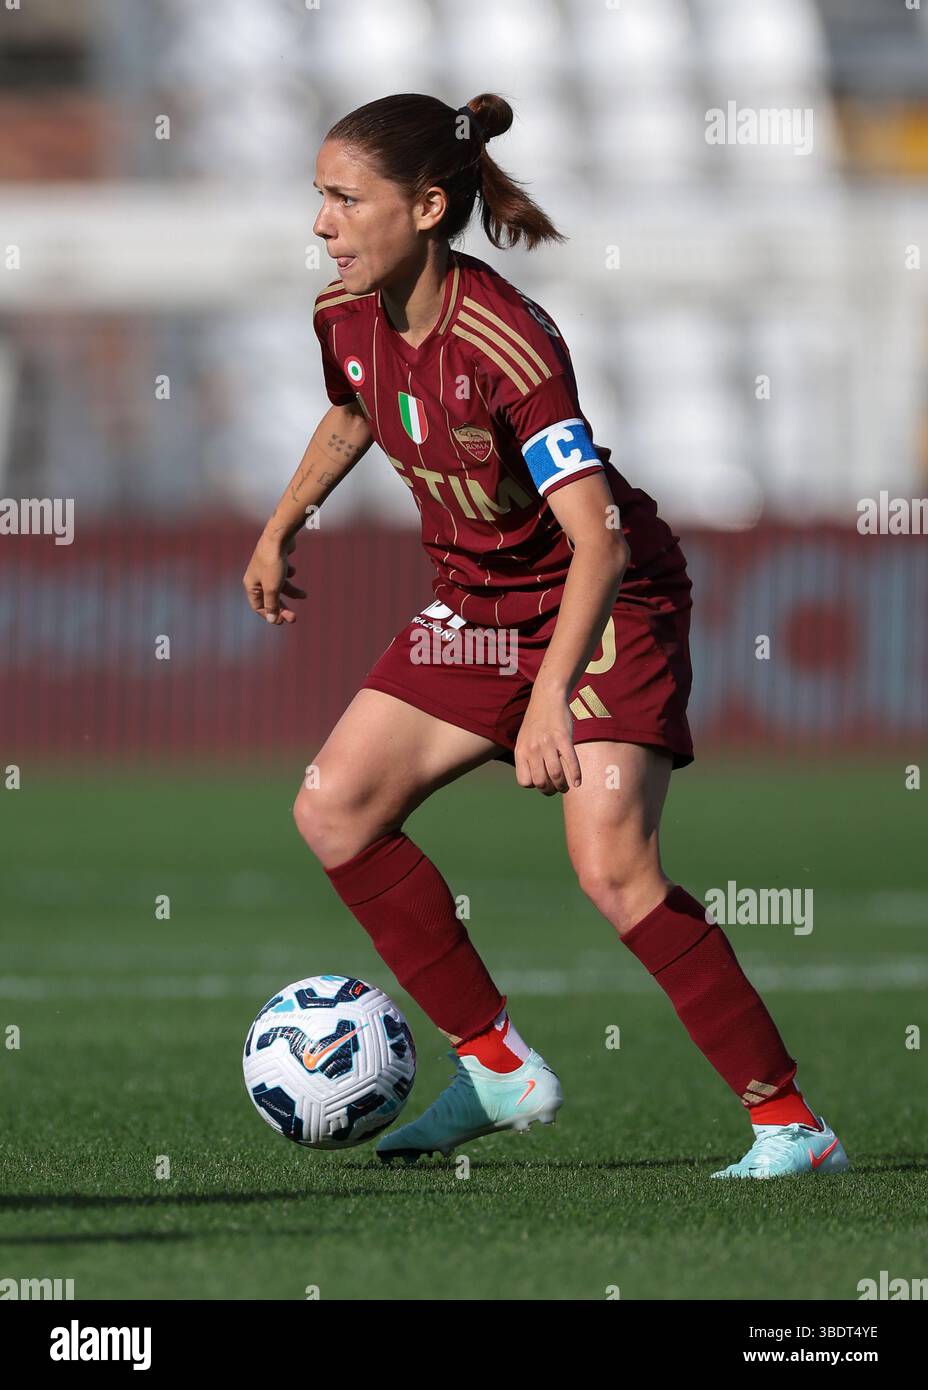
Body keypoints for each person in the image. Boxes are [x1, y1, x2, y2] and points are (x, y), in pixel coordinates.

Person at [243, 92, 848, 1179]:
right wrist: (286, 520)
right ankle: (495, 1066)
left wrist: (547, 698)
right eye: (318, 197)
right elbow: (353, 410)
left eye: (344, 198)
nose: (322, 223)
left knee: (611, 868)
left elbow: (598, 541)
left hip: (605, 601)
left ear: (427, 206)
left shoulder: (509, 341)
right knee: (334, 808)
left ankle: (789, 1124)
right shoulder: (342, 312)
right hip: (478, 601)